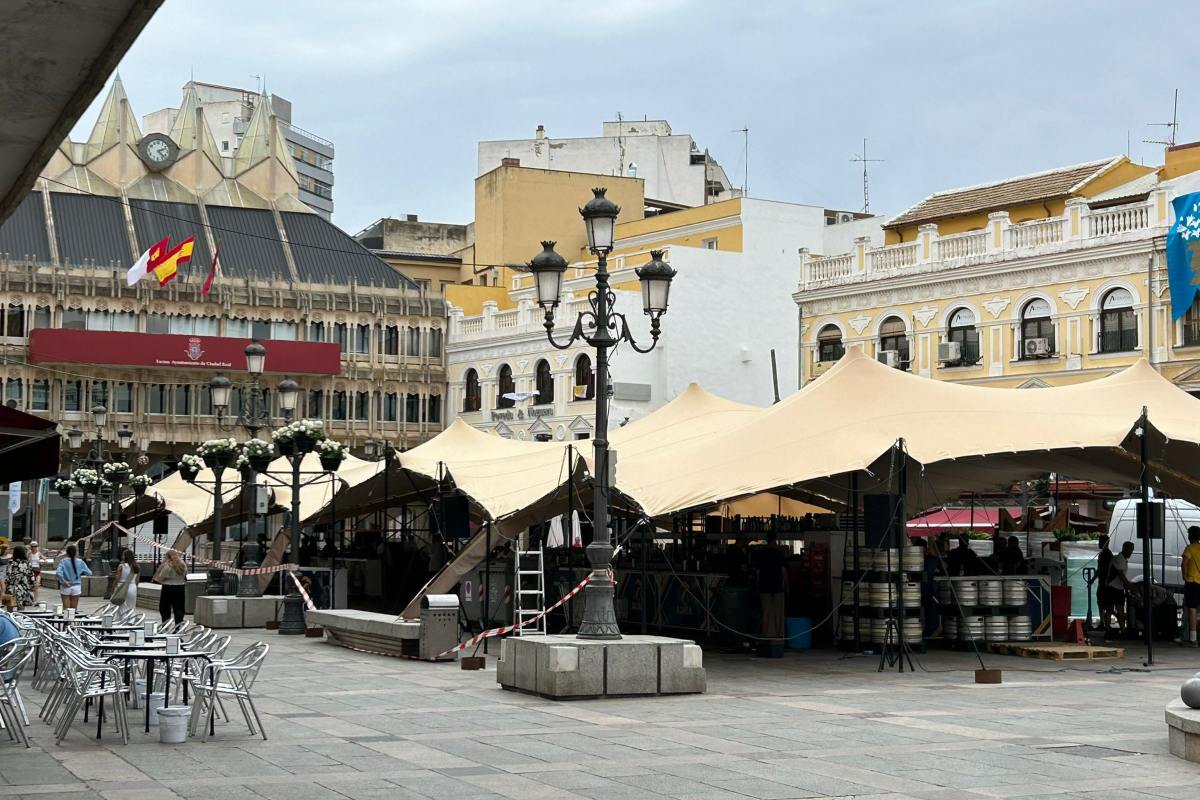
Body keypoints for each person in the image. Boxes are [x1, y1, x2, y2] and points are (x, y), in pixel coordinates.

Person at [751, 533, 788, 641]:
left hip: (764, 586)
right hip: (777, 587)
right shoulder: (779, 554)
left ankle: (764, 636)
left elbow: (757, 573)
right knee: (778, 614)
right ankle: (777, 637)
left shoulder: (761, 555)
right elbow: (784, 572)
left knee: (765, 613)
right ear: (775, 541)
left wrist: (757, 586)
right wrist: (787, 586)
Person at [1107, 541, 1136, 633]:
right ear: (1125, 549)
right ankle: (1110, 628)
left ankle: (1123, 630)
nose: (1131, 553)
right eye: (1130, 551)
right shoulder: (1119, 559)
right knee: (1111, 609)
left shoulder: (1123, 560)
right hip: (1112, 587)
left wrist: (1127, 586)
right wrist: (1131, 587)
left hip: (1118, 588)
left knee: (1118, 610)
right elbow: (1122, 576)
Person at [153, 550, 187, 625]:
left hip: (168, 588)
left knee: (164, 608)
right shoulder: (183, 564)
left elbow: (160, 578)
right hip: (180, 587)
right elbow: (185, 575)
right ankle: (178, 626)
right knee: (179, 608)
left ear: (167, 557)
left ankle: (166, 626)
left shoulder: (168, 565)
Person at [55, 543, 91, 610]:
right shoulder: (80, 562)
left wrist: (64, 581)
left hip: (65, 586)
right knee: (74, 610)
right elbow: (89, 573)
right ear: (76, 553)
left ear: (67, 553)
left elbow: (58, 573)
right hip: (76, 586)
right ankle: (72, 620)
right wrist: (80, 572)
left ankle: (66, 620)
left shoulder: (63, 561)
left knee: (66, 610)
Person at [1181, 526, 1200, 647]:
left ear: (1190, 536)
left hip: (1192, 582)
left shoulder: (1189, 548)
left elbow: (1184, 564)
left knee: (1192, 610)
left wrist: (1185, 577)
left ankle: (1193, 639)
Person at [1097, 534, 1115, 629]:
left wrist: (1106, 580)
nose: (1098, 544)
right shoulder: (1102, 554)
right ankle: (1102, 622)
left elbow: (1107, 569)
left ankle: (1104, 623)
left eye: (1100, 542)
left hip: (1105, 583)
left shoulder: (1107, 554)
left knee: (1104, 603)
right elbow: (1099, 569)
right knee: (1101, 602)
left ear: (1105, 543)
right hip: (1102, 581)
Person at [114, 549, 139, 613]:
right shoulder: (136, 567)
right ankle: (131, 620)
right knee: (132, 605)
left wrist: (114, 586)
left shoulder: (121, 566)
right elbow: (137, 580)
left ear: (124, 556)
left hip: (122, 585)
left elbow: (117, 578)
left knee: (121, 605)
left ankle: (122, 620)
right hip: (132, 586)